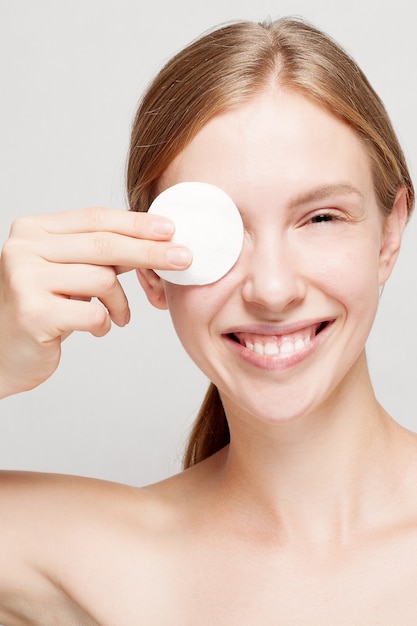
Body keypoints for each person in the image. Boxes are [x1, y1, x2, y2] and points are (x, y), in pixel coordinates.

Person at [0, 15, 415, 624]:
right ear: (149, 269)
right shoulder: (99, 560)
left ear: (389, 233)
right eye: (218, 231)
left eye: (321, 218)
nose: (273, 290)